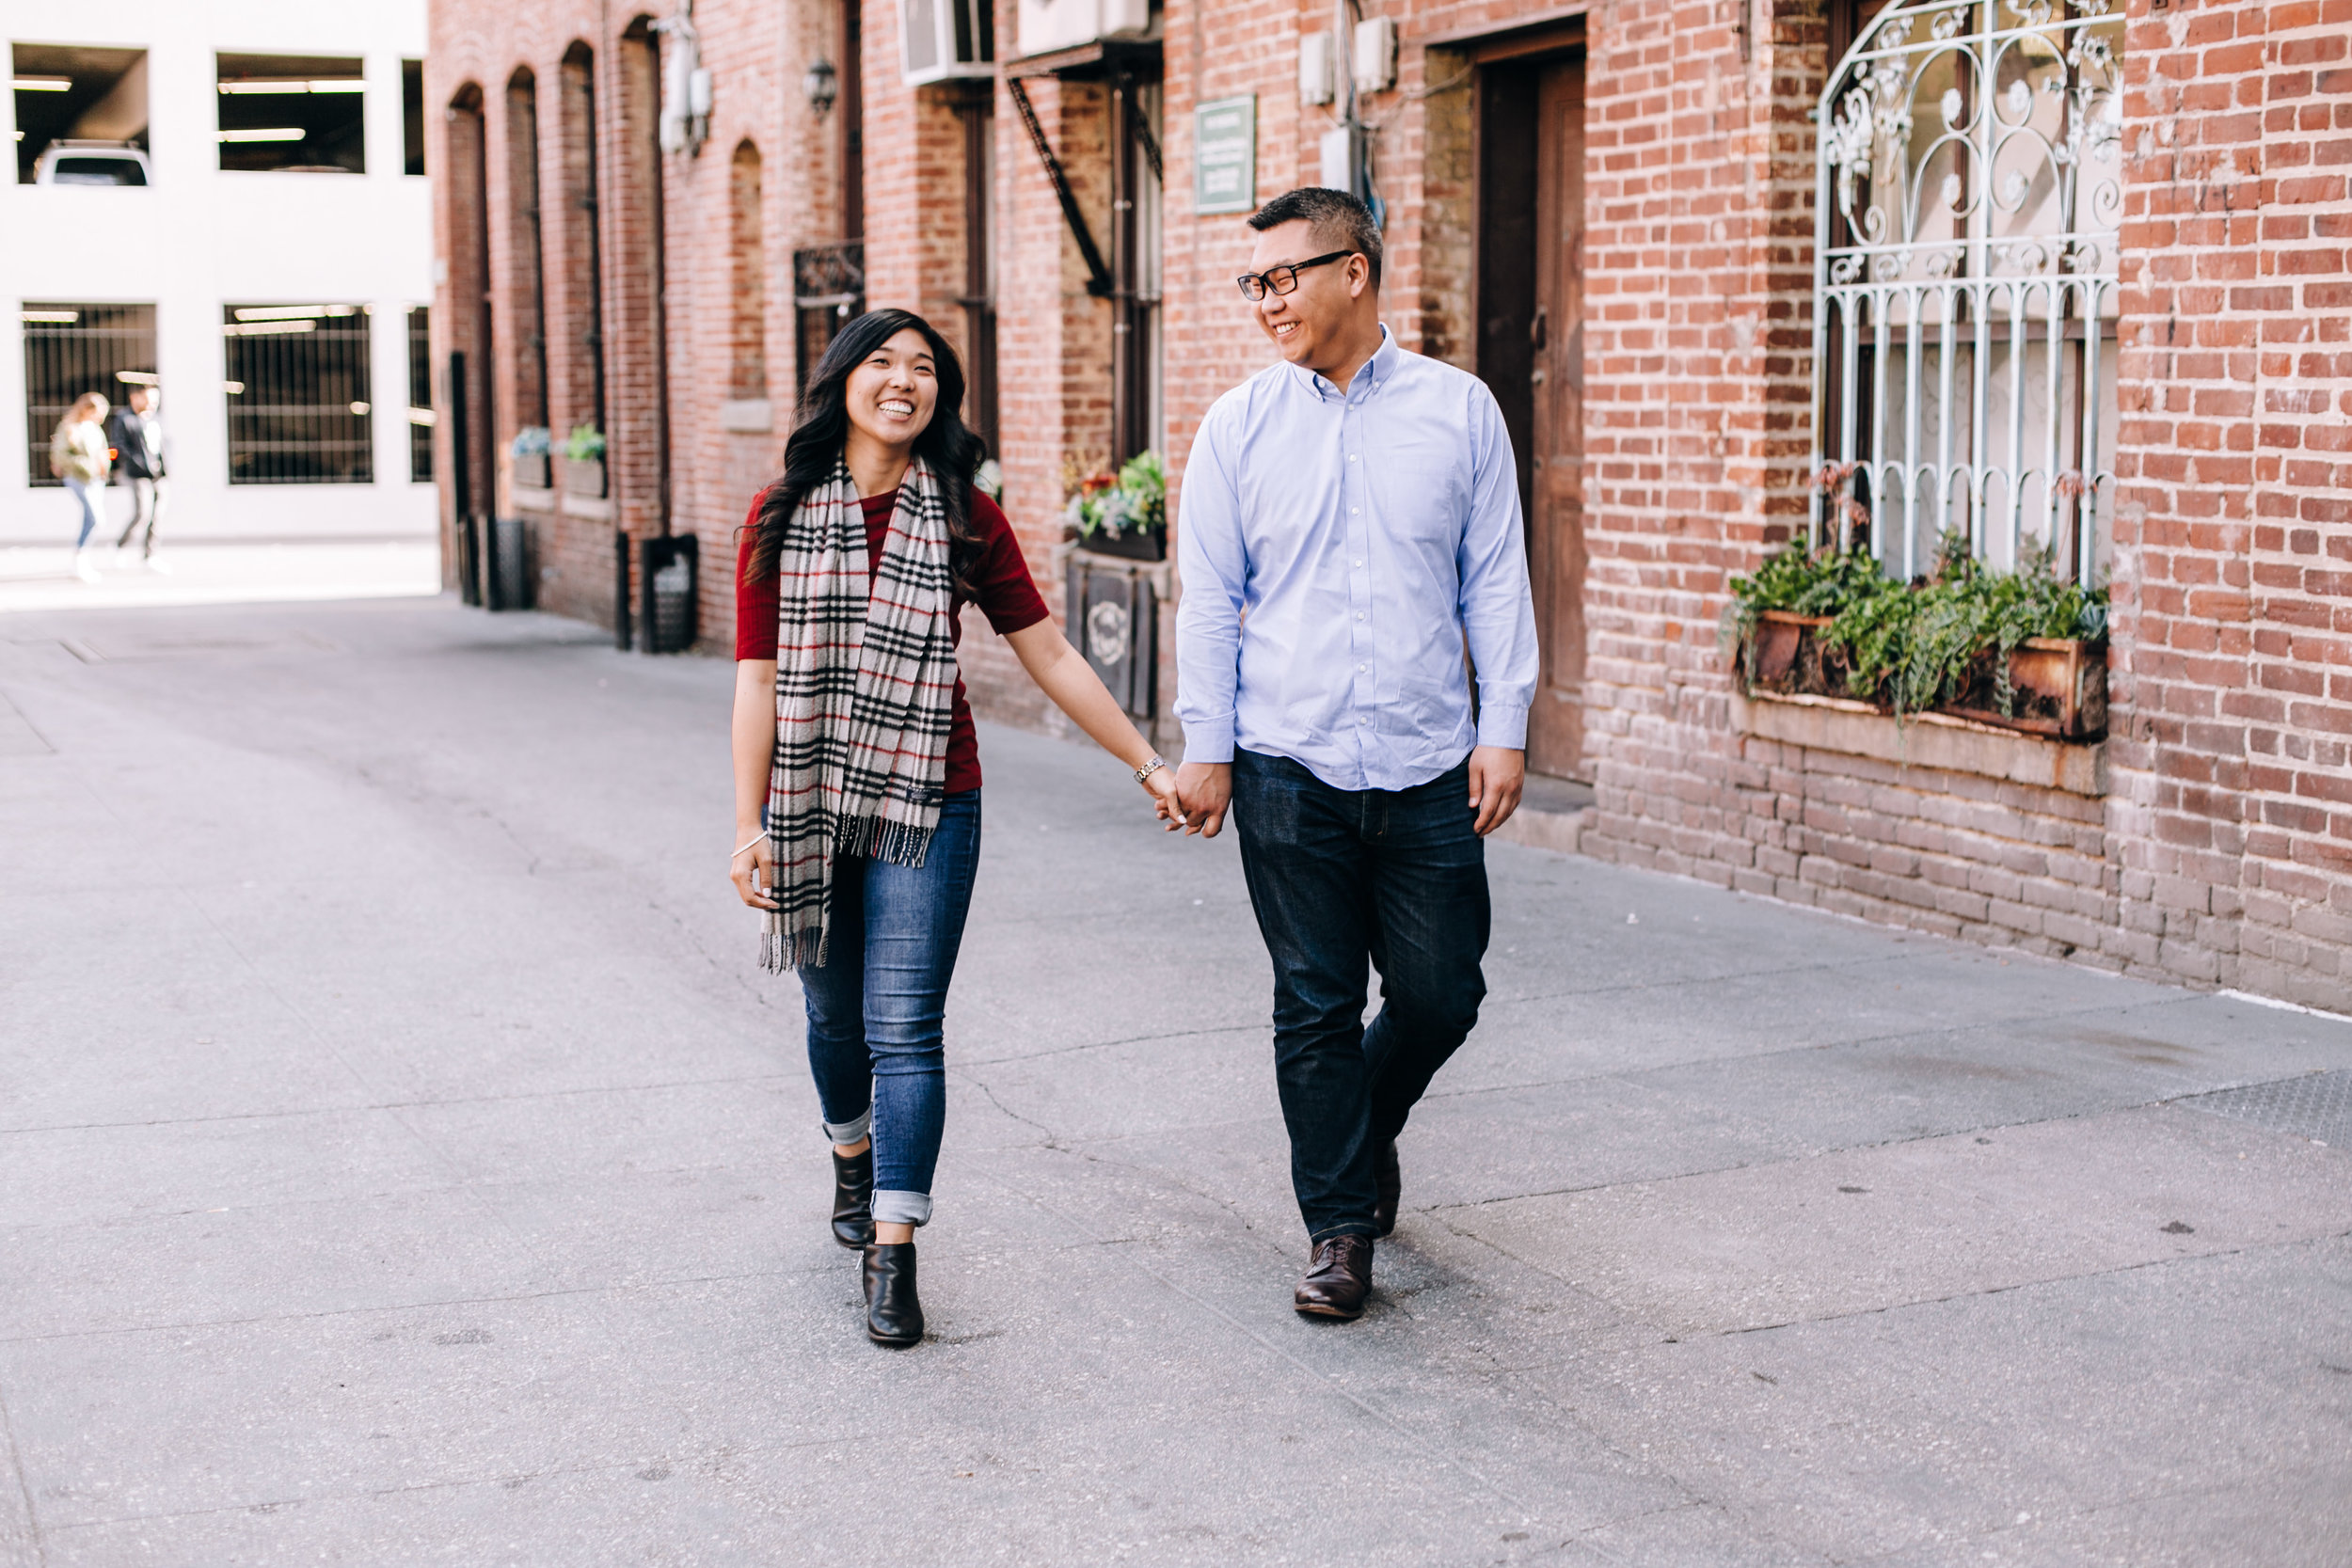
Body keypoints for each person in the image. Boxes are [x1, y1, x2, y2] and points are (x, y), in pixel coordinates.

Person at [728, 307, 1186, 1349]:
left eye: (924, 368)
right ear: (842, 380)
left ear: (941, 395)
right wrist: (748, 822)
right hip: (808, 804)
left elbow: (1053, 655)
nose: (904, 381)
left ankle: (894, 1249)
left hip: (932, 797)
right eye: (882, 363)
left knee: (904, 1026)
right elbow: (755, 680)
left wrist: (1147, 761)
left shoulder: (967, 517)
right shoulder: (780, 512)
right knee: (834, 1020)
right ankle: (851, 1155)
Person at [1172, 188, 1538, 1322]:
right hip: (1287, 761)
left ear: (1357, 272)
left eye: (1287, 276)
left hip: (1429, 759)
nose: (1269, 301)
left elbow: (1494, 576)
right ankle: (1338, 1227)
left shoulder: (1460, 411)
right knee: (1315, 1002)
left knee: (1442, 994)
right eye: (1257, 283)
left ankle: (1356, 1128)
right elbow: (1211, 602)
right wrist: (1208, 748)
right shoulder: (1236, 427)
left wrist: (1504, 722)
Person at [49, 393, 110, 582]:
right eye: (98, 412)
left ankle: (81, 558)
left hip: (97, 479)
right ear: (86, 409)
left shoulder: (95, 428)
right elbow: (60, 456)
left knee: (91, 519)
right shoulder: (69, 428)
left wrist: (102, 468)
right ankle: (79, 558)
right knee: (95, 517)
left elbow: (102, 451)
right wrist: (87, 466)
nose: (100, 417)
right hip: (78, 477)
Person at [107, 383, 167, 559]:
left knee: (157, 516)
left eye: (155, 400)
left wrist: (165, 466)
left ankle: (150, 554)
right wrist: (137, 463)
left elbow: (162, 445)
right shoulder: (125, 418)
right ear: (135, 398)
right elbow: (120, 445)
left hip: (160, 474)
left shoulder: (156, 418)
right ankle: (120, 546)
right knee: (143, 513)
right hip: (138, 473)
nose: (153, 404)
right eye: (149, 399)